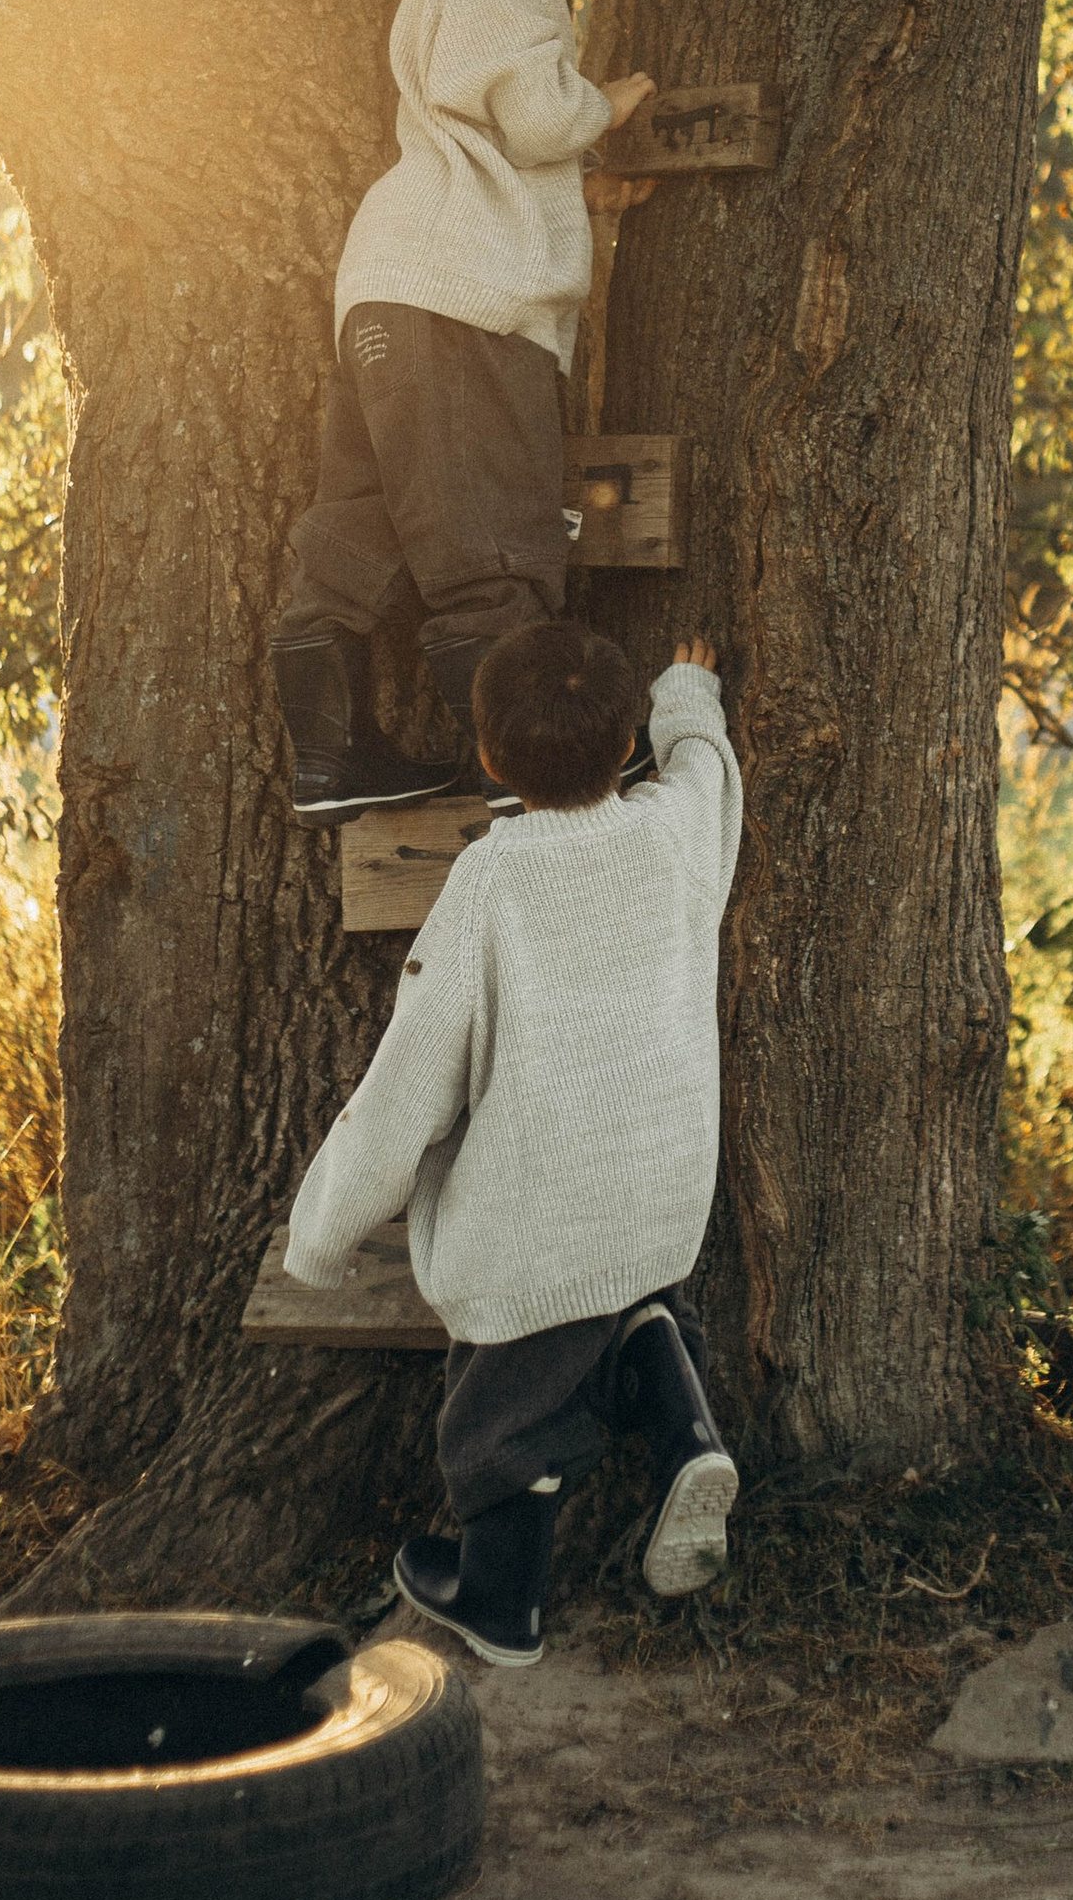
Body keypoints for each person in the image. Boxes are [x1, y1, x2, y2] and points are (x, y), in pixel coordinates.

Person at [282, 621, 743, 1668]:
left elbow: (411, 1084)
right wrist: (684, 689)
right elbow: (705, 765)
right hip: (664, 1197)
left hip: (540, 1216)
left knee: (499, 1421)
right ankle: (677, 1416)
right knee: (621, 1303)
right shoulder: (676, 833)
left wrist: (322, 1234)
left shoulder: (491, 884)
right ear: (624, 737)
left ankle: (502, 1601)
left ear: (489, 760)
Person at [273, 0, 656, 815]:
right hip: (460, 297)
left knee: (366, 522)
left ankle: (330, 757)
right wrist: (604, 104)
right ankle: (532, 769)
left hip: (387, 295)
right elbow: (535, 120)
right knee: (490, 532)